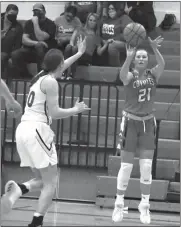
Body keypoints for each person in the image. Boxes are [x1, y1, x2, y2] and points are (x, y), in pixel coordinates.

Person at [1, 36, 90, 227]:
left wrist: (79, 53)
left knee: (42, 179)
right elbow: (56, 113)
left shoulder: (40, 76)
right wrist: (76, 109)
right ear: (57, 66)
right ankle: (36, 223)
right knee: (51, 182)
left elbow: (61, 65)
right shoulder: (51, 82)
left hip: (23, 130)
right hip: (37, 130)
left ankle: (18, 189)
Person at [112, 36, 165, 224]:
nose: (141, 59)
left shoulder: (153, 74)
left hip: (148, 124)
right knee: (126, 166)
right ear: (135, 60)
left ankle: (144, 206)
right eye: (139, 57)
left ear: (147, 60)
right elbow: (121, 75)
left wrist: (153, 48)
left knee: (146, 167)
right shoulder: (130, 75)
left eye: (144, 57)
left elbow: (162, 64)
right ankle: (119, 203)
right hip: (130, 123)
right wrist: (128, 56)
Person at [10, 3, 56, 79]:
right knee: (15, 54)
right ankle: (26, 76)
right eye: (34, 11)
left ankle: (41, 77)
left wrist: (35, 23)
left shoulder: (50, 24)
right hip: (30, 50)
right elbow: (24, 40)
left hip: (45, 53)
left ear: (44, 12)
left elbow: (40, 37)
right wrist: (36, 43)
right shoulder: (28, 23)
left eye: (38, 11)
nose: (36, 13)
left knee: (39, 46)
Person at [64, 13, 101, 79]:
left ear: (96, 23)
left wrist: (107, 44)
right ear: (87, 20)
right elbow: (72, 41)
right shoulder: (80, 30)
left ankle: (72, 74)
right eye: (90, 20)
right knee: (68, 47)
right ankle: (64, 72)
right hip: (76, 50)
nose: (91, 22)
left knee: (75, 49)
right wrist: (72, 44)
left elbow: (99, 52)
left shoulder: (96, 35)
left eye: (94, 21)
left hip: (87, 55)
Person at [98, 2, 132, 67]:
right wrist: (103, 41)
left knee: (112, 45)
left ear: (117, 9)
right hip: (106, 43)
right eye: (109, 9)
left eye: (112, 9)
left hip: (123, 44)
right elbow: (99, 33)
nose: (110, 10)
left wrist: (112, 40)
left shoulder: (124, 18)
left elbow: (127, 34)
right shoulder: (105, 19)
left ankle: (116, 68)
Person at [1, 4, 23, 78]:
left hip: (6, 53)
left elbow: (18, 44)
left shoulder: (18, 27)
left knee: (2, 57)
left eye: (15, 15)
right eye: (11, 14)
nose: (13, 17)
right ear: (6, 12)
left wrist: (11, 57)